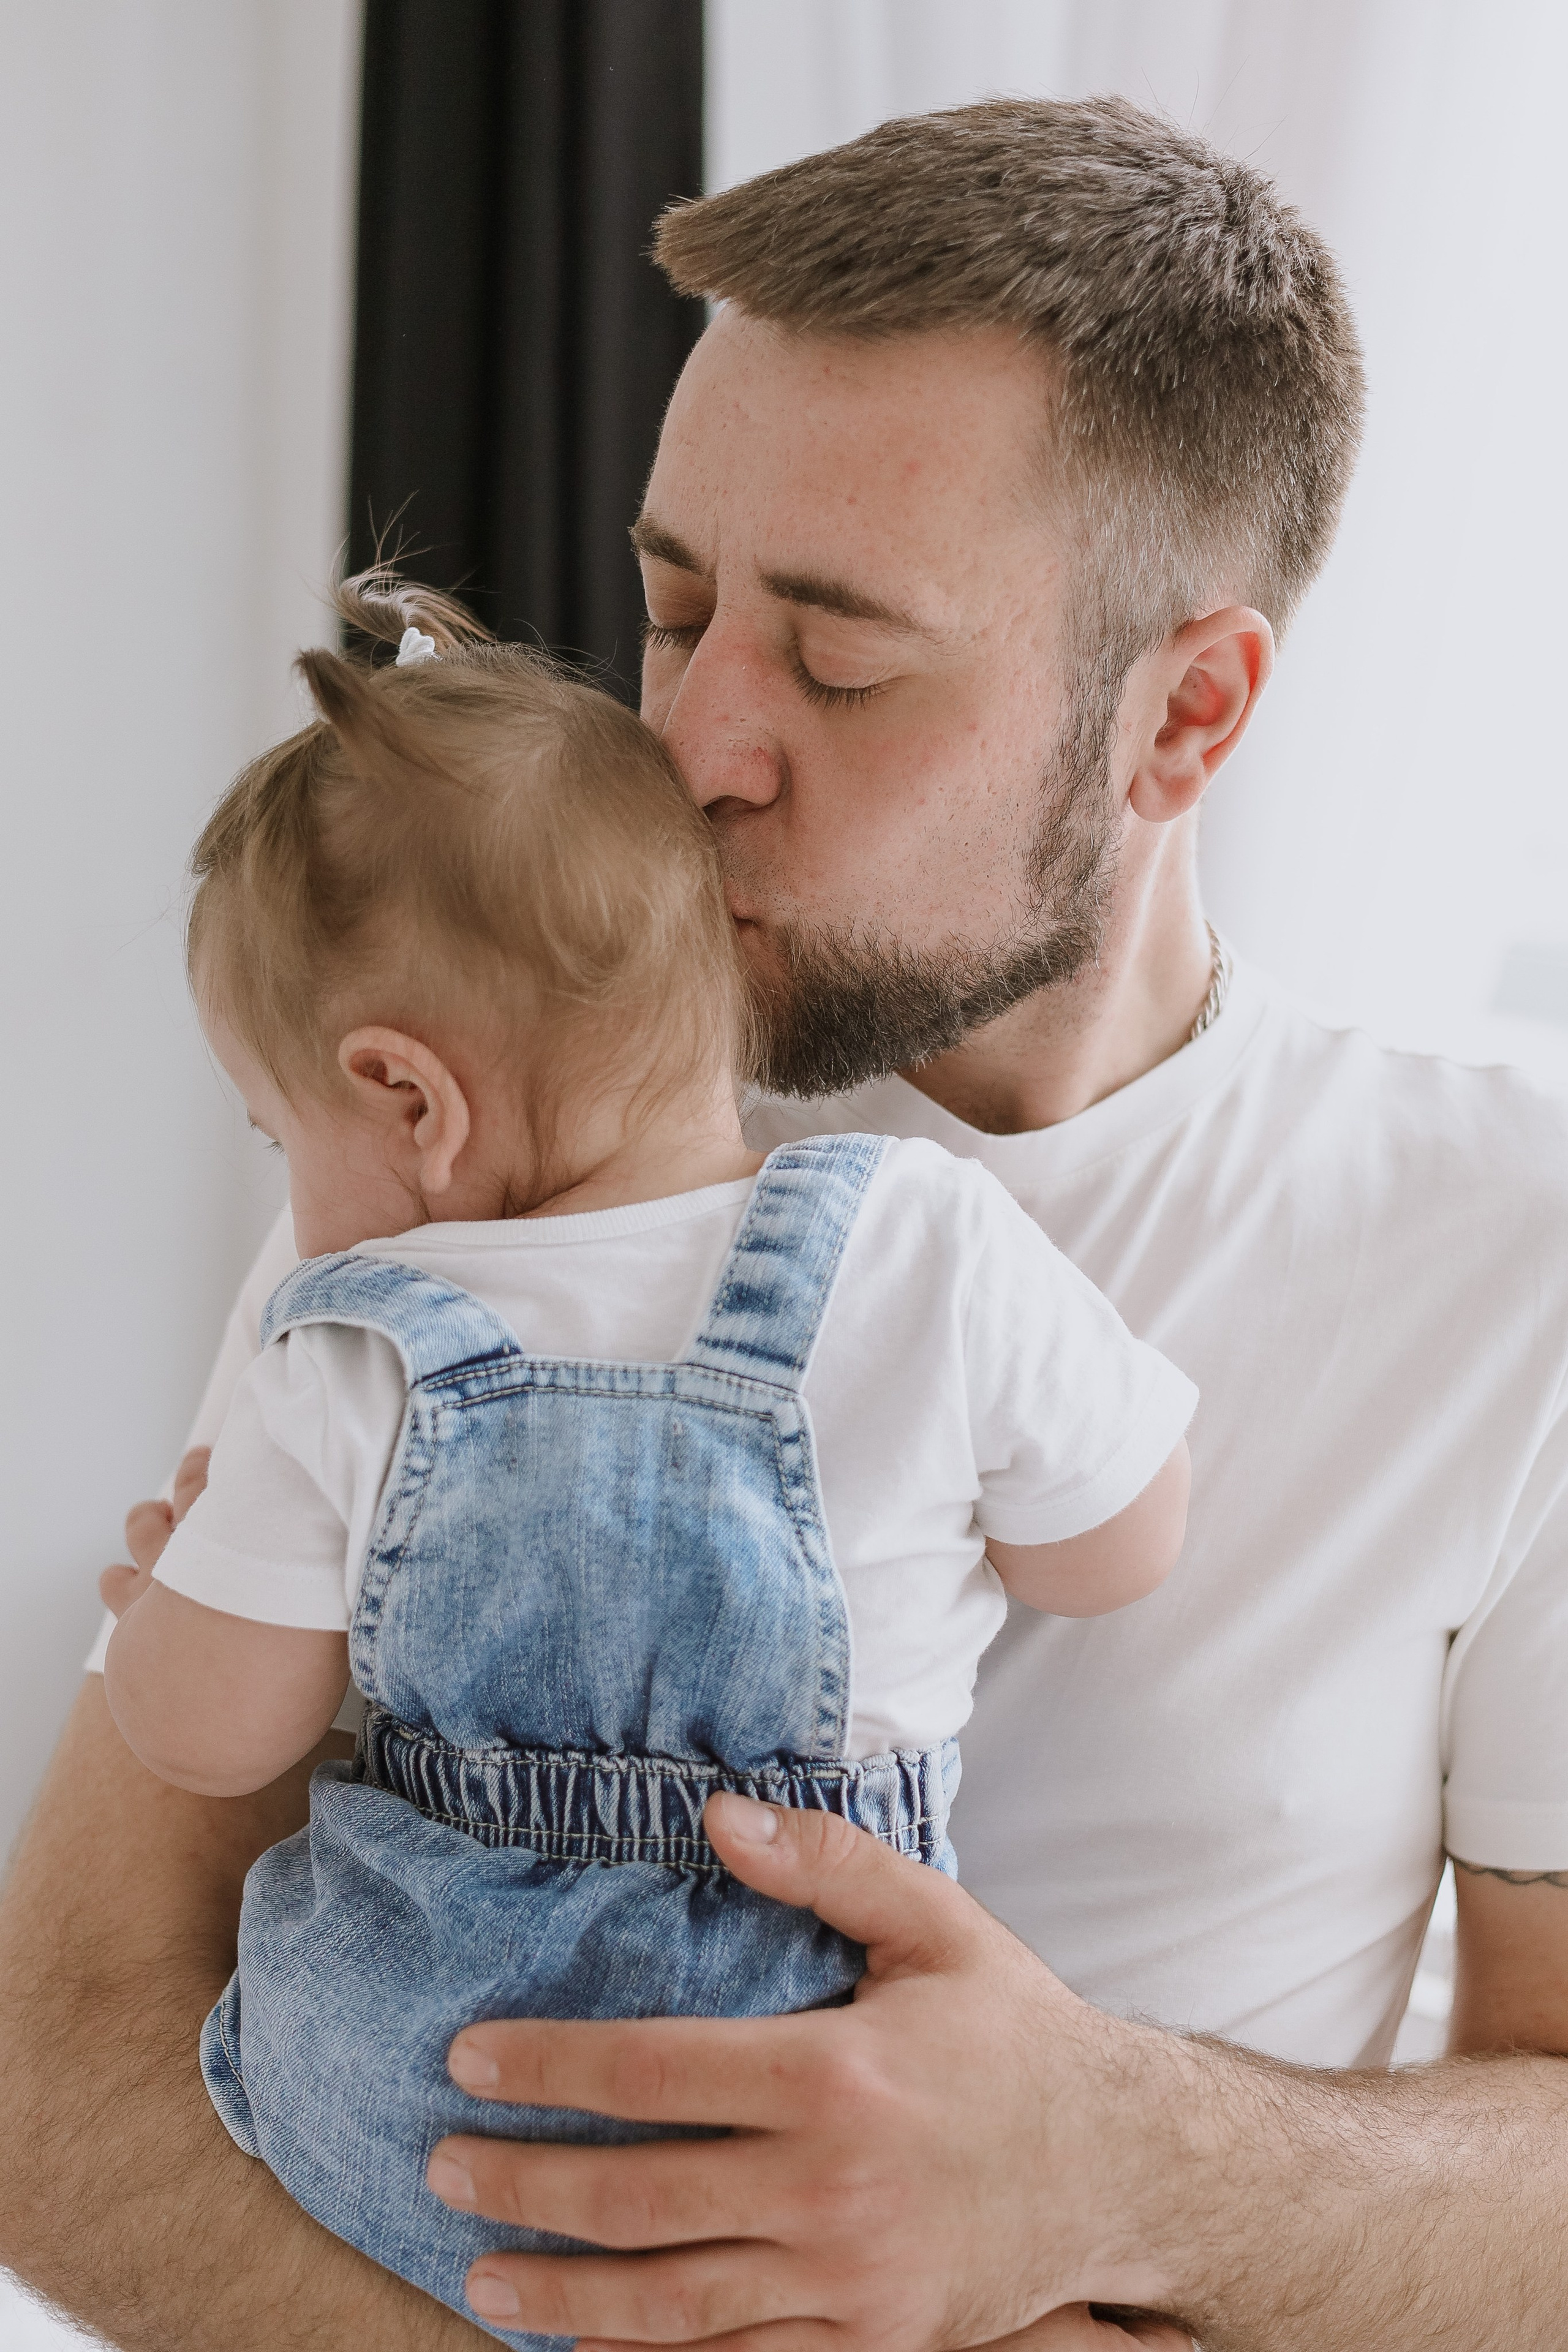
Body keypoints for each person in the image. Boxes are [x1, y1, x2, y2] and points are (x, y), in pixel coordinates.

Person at [6, 90, 1568, 2352]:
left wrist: (1118, 2160)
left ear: (1186, 717)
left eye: (840, 660)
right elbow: (59, 2065)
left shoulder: (1506, 1253)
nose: (699, 739)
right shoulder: (483, 1161)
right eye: (670, 604)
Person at [96, 567, 1192, 2342]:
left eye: (271, 1134)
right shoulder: (927, 1239)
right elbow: (1120, 1550)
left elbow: (202, 1730)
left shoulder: (351, 1341)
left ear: (407, 1102)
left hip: (409, 2146)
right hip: (800, 2158)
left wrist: (181, 1597)